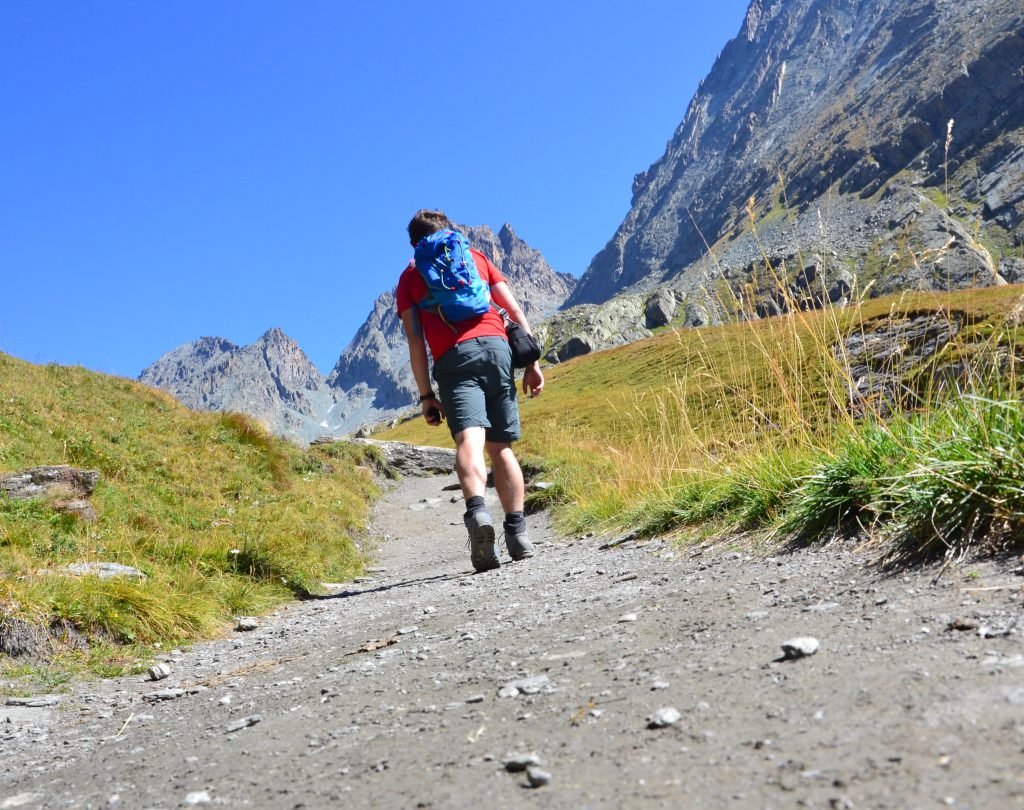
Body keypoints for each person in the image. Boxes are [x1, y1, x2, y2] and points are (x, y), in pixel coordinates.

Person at [397, 209, 545, 572]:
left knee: (470, 441)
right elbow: (513, 309)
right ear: (449, 233)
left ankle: (478, 513)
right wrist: (532, 363)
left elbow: (415, 341)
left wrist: (426, 395)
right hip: (498, 349)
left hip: (454, 357)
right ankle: (518, 532)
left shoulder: (411, 277)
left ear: (415, 243)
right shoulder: (476, 258)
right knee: (502, 448)